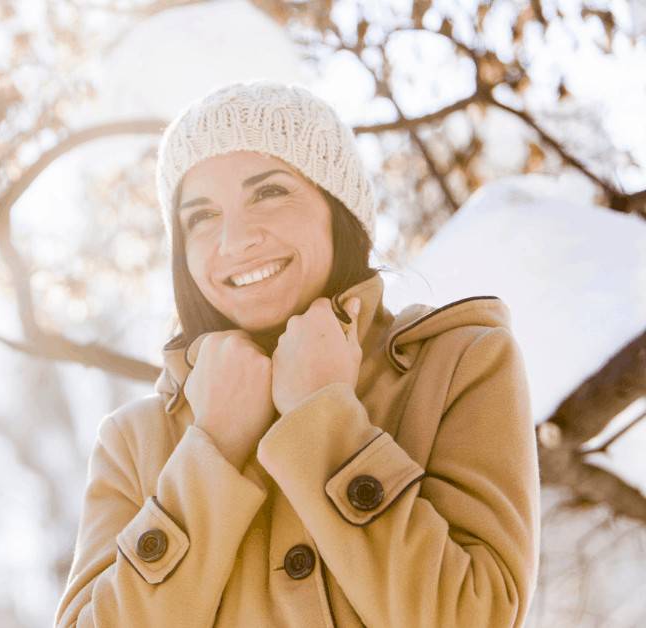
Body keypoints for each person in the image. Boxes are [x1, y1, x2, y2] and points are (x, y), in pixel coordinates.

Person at [54, 80, 540, 628]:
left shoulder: (459, 364)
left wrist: (323, 419)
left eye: (269, 192)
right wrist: (209, 451)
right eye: (201, 217)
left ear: (338, 209)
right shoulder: (135, 442)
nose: (234, 241)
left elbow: (473, 616)